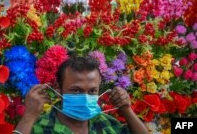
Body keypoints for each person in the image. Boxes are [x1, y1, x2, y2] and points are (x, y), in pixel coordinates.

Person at [14, 57, 149, 134]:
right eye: (76, 91)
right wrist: (29, 116)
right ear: (59, 90)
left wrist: (126, 109)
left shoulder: (106, 123)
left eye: (92, 91)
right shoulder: (39, 127)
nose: (85, 98)